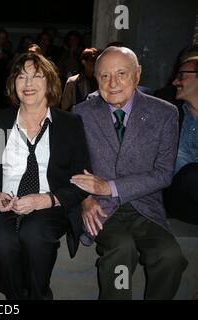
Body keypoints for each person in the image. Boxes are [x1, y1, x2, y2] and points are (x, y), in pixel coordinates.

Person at [72, 46, 188, 299]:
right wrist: (86, 200)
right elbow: (72, 167)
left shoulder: (165, 113)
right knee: (121, 250)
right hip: (101, 208)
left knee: (170, 257)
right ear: (95, 78)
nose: (112, 83)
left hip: (146, 207)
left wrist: (109, 187)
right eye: (104, 76)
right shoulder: (81, 114)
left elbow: (162, 174)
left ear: (137, 75)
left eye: (121, 74)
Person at [0, 52, 90, 299]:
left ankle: (38, 295)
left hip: (51, 204)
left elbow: (82, 181)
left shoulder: (70, 123)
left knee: (34, 234)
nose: (28, 84)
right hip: (5, 203)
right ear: (13, 84)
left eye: (36, 76)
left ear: (49, 82)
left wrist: (45, 200)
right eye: (21, 77)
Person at [164, 52, 198, 225]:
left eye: (181, 76)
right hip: (175, 196)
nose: (175, 82)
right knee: (192, 174)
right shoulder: (168, 114)